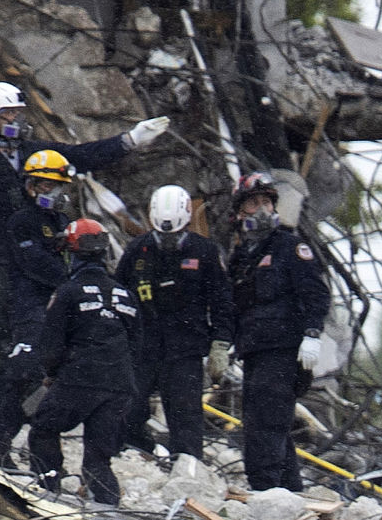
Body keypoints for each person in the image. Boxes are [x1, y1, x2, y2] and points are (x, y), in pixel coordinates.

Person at [0, 80, 168, 382]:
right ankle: (3, 400)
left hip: (38, 263)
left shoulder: (38, 154)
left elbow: (83, 156)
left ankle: (39, 395)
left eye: (19, 113)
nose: (17, 120)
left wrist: (129, 140)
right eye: (8, 114)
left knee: (42, 329)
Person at [227, 172, 330, 491]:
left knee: (266, 423)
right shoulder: (241, 258)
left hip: (284, 350)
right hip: (254, 352)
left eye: (267, 202)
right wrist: (228, 343)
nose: (262, 209)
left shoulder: (290, 247)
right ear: (239, 212)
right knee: (266, 422)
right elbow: (237, 305)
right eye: (253, 203)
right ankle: (289, 491)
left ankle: (265, 489)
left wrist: (312, 334)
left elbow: (316, 294)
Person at [28, 218, 141, 506]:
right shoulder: (125, 295)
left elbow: (50, 345)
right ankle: (109, 512)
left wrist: (52, 374)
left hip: (80, 378)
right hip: (120, 384)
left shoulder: (68, 292)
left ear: (71, 253)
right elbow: (137, 343)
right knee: (98, 459)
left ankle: (46, 493)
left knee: (43, 429)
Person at [116, 184, 234, 459]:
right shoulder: (137, 251)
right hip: (143, 346)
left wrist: (221, 342)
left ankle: (188, 466)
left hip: (186, 348)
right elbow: (119, 295)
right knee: (128, 407)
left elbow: (222, 301)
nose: (168, 241)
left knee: (185, 413)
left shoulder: (204, 252)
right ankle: (134, 453)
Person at [0, 149, 73, 466]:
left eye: (54, 185)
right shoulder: (23, 221)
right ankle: (2, 445)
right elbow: (36, 263)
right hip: (30, 310)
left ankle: (3, 446)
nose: (48, 191)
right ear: (30, 184)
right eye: (42, 184)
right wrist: (70, 279)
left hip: (56, 312)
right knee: (25, 375)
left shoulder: (61, 221)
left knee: (41, 383)